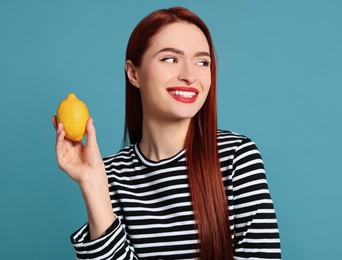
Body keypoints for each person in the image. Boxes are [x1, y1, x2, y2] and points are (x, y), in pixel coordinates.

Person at [53, 6, 281, 260]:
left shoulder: (236, 157)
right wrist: (92, 183)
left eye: (202, 62)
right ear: (133, 73)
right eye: (171, 59)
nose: (189, 75)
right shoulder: (110, 175)